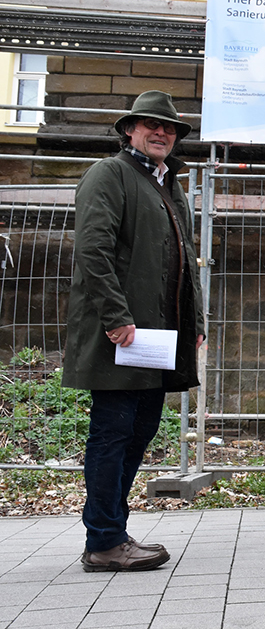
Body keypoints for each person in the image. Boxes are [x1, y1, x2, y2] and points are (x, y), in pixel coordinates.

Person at [63, 90, 204, 572]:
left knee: (138, 430)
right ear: (130, 130)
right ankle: (104, 539)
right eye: (151, 125)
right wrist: (116, 317)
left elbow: (186, 260)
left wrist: (196, 325)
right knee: (113, 431)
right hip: (120, 335)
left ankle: (110, 531)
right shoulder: (110, 174)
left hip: (157, 337)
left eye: (169, 128)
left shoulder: (169, 183)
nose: (161, 133)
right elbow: (94, 251)